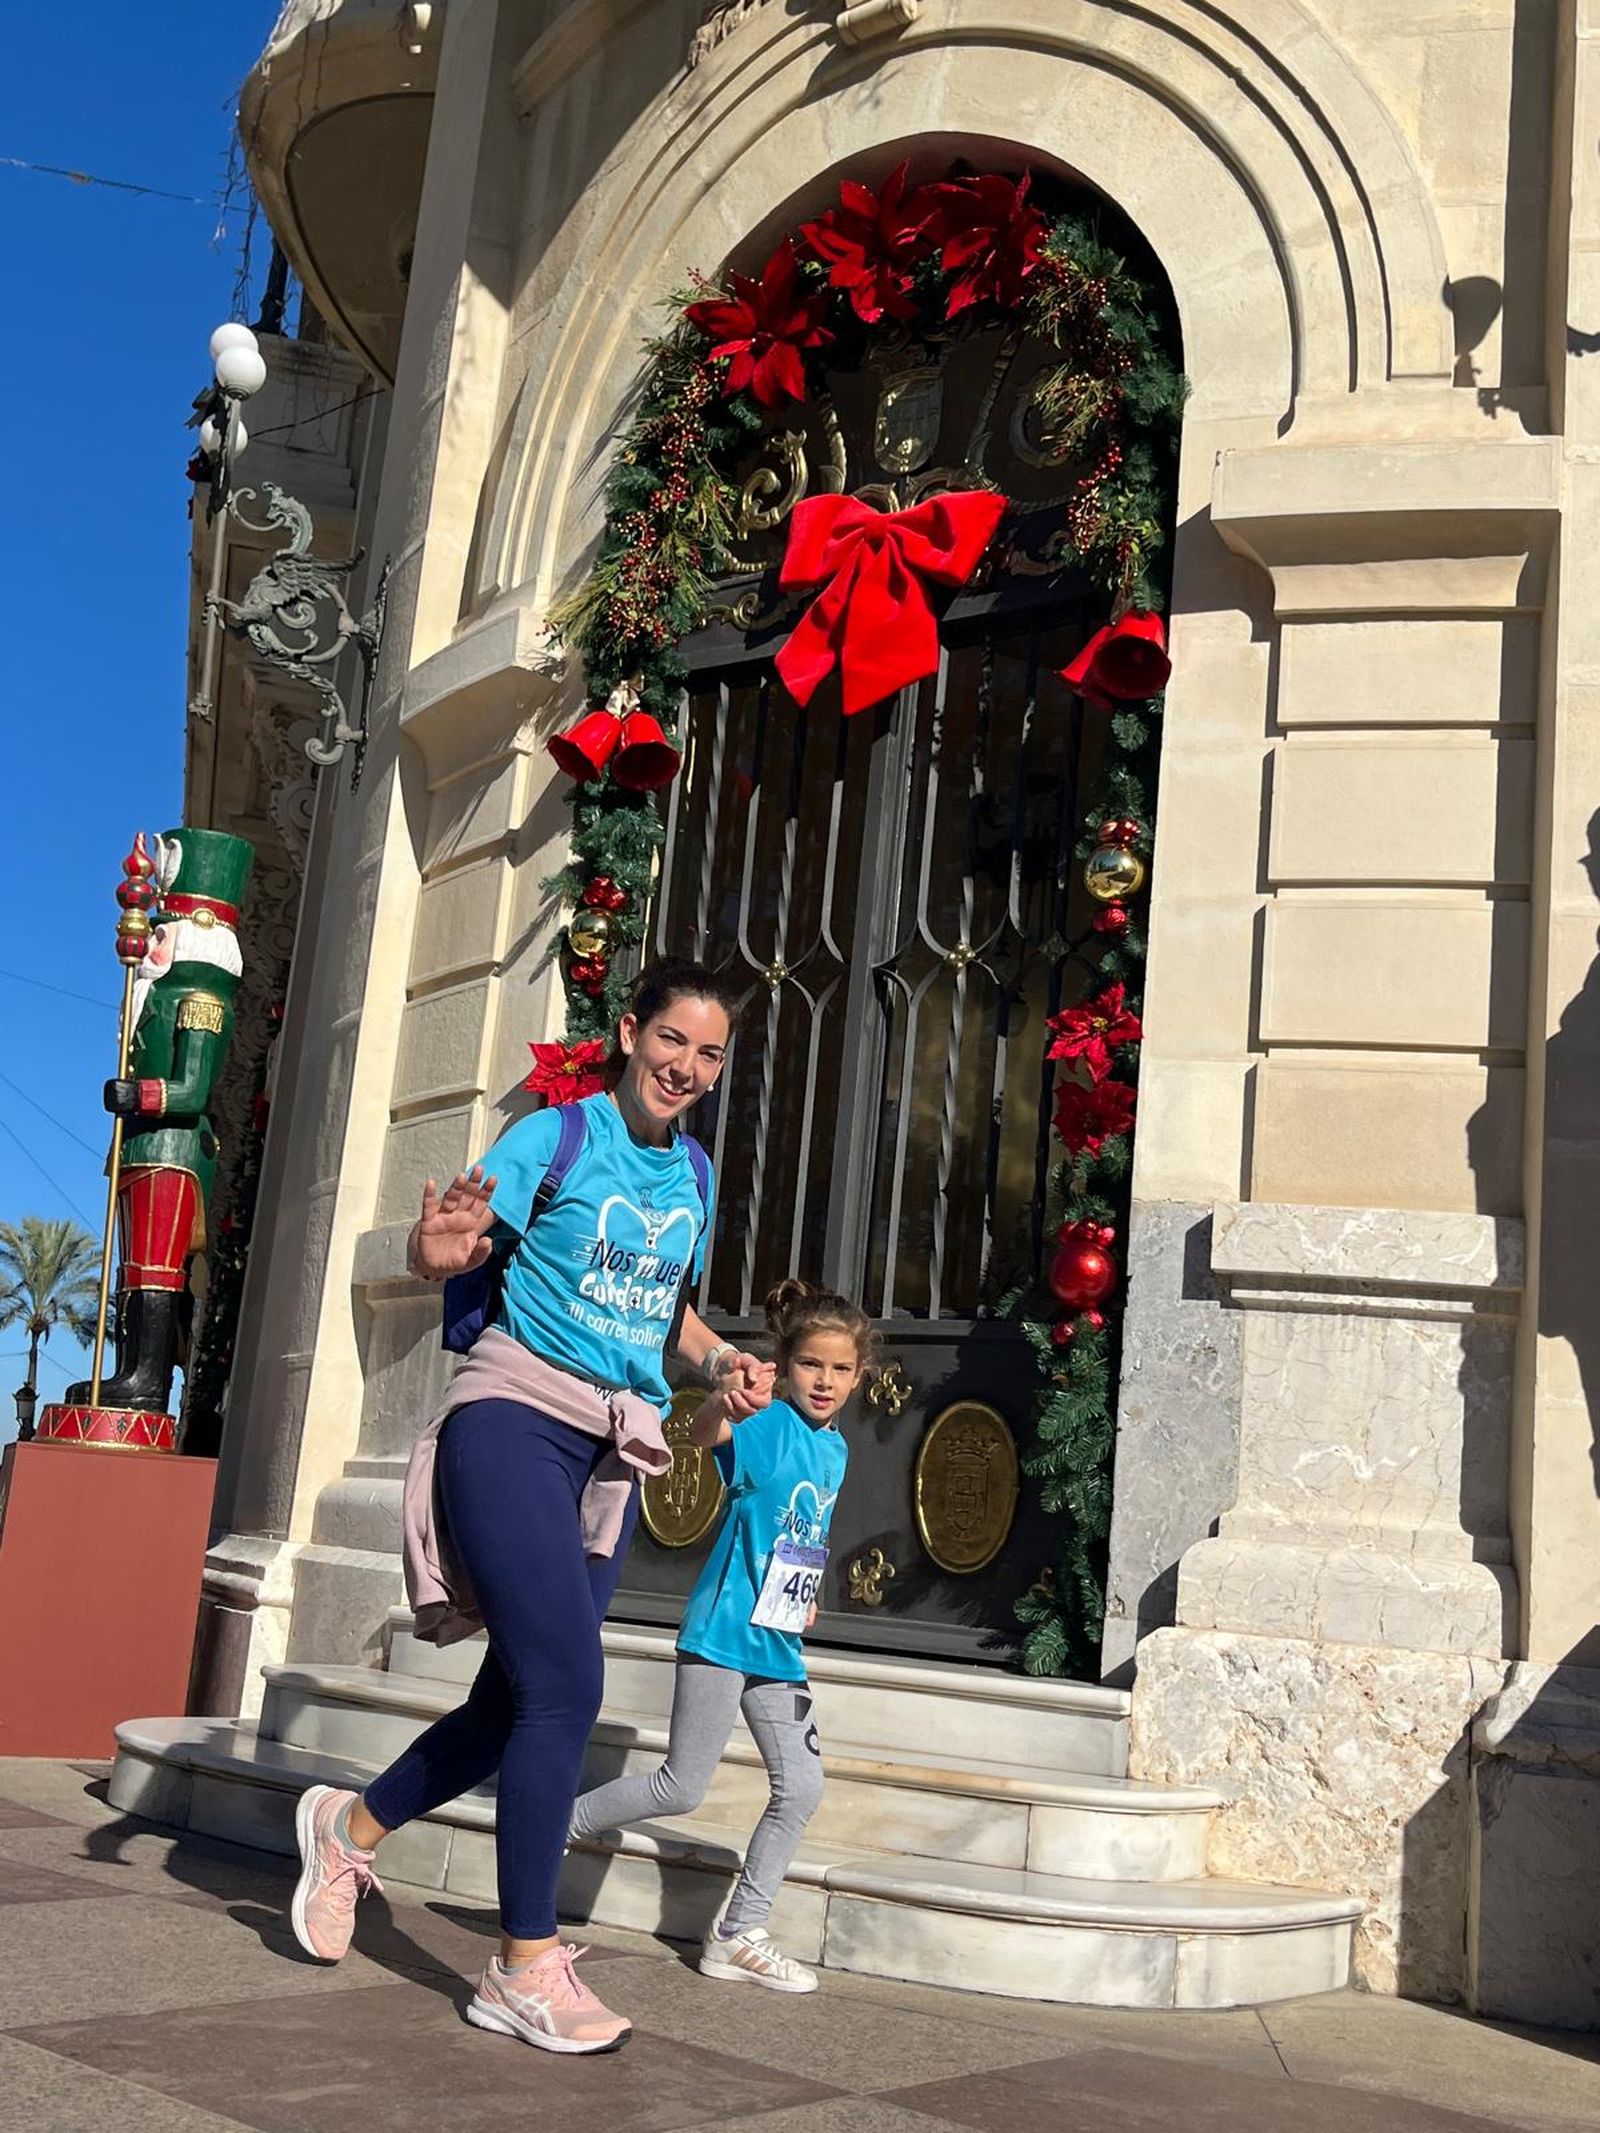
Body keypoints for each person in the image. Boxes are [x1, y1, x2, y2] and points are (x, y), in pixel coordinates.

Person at [286, 959, 774, 2055]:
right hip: (512, 1416)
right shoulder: (552, 1138)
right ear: (628, 1031)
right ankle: (521, 1966)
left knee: (515, 1704)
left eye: (709, 1055)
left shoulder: (691, 1172)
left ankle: (345, 1827)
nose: (687, 1069)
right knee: (564, 1684)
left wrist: (717, 1361)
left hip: (613, 1452)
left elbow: (666, 1311)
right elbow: (453, 1242)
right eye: (672, 1042)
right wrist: (433, 1251)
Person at [567, 1277, 875, 1994]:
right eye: (811, 1365)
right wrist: (719, 1401)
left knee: (801, 1786)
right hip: (722, 1632)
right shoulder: (768, 1422)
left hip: (778, 1642)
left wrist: (812, 1590)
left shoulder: (836, 1451)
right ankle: (557, 1820)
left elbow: (805, 1528)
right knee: (681, 1785)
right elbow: (705, 1437)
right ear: (787, 1362)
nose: (824, 1381)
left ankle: (739, 1933)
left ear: (861, 1376)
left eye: (840, 1368)